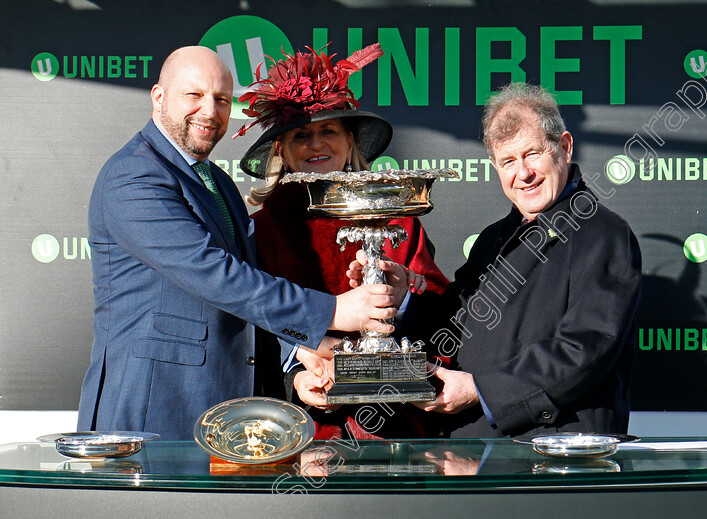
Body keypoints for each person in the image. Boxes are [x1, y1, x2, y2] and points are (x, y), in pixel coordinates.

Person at [77, 46, 399, 440]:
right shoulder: (133, 176)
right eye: (193, 96)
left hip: (226, 414)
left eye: (222, 100)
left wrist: (298, 351)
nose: (210, 112)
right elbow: (216, 276)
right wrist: (332, 311)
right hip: (153, 412)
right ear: (159, 98)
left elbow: (241, 300)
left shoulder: (218, 183)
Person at [353, 82, 642, 439]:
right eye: (508, 161)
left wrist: (482, 391)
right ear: (495, 166)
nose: (523, 174)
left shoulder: (603, 234)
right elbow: (453, 323)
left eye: (533, 153)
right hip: (477, 458)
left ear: (564, 148)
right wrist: (404, 299)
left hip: (556, 462)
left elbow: (585, 349)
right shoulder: (493, 238)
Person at [234, 44, 449, 440]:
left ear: (351, 143)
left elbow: (442, 316)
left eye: (329, 131)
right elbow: (245, 327)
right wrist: (297, 367)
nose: (316, 145)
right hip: (302, 435)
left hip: (399, 432)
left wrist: (405, 299)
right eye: (302, 135)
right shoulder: (260, 231)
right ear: (282, 151)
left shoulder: (400, 220)